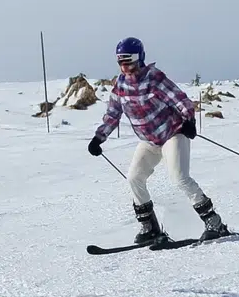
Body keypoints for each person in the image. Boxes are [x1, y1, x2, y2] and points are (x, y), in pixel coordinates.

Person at [87, 37, 230, 244]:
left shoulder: (154, 78)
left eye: (128, 61)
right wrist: (99, 138)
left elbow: (180, 100)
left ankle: (214, 222)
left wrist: (189, 120)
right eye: (120, 62)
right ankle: (150, 227)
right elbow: (113, 113)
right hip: (149, 141)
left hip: (172, 134)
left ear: (139, 58)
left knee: (179, 177)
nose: (125, 66)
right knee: (134, 177)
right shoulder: (120, 85)